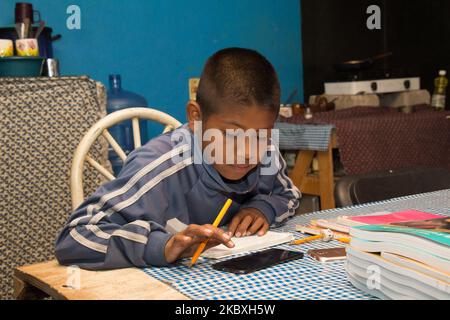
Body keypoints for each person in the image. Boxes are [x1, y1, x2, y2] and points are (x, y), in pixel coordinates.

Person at [55, 47, 301, 270]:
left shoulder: (265, 151)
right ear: (196, 117)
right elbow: (75, 237)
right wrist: (162, 246)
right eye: (230, 134)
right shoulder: (160, 166)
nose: (247, 152)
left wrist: (263, 208)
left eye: (261, 134)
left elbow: (288, 194)